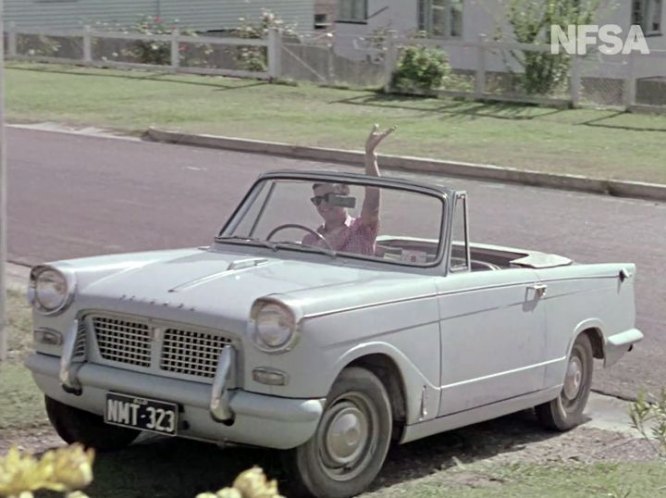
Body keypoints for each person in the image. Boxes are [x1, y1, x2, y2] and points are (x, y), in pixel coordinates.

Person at [302, 124, 395, 255]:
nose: (323, 204)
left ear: (344, 195)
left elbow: (372, 203)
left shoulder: (361, 228)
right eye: (317, 200)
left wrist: (370, 156)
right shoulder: (310, 239)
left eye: (329, 197)